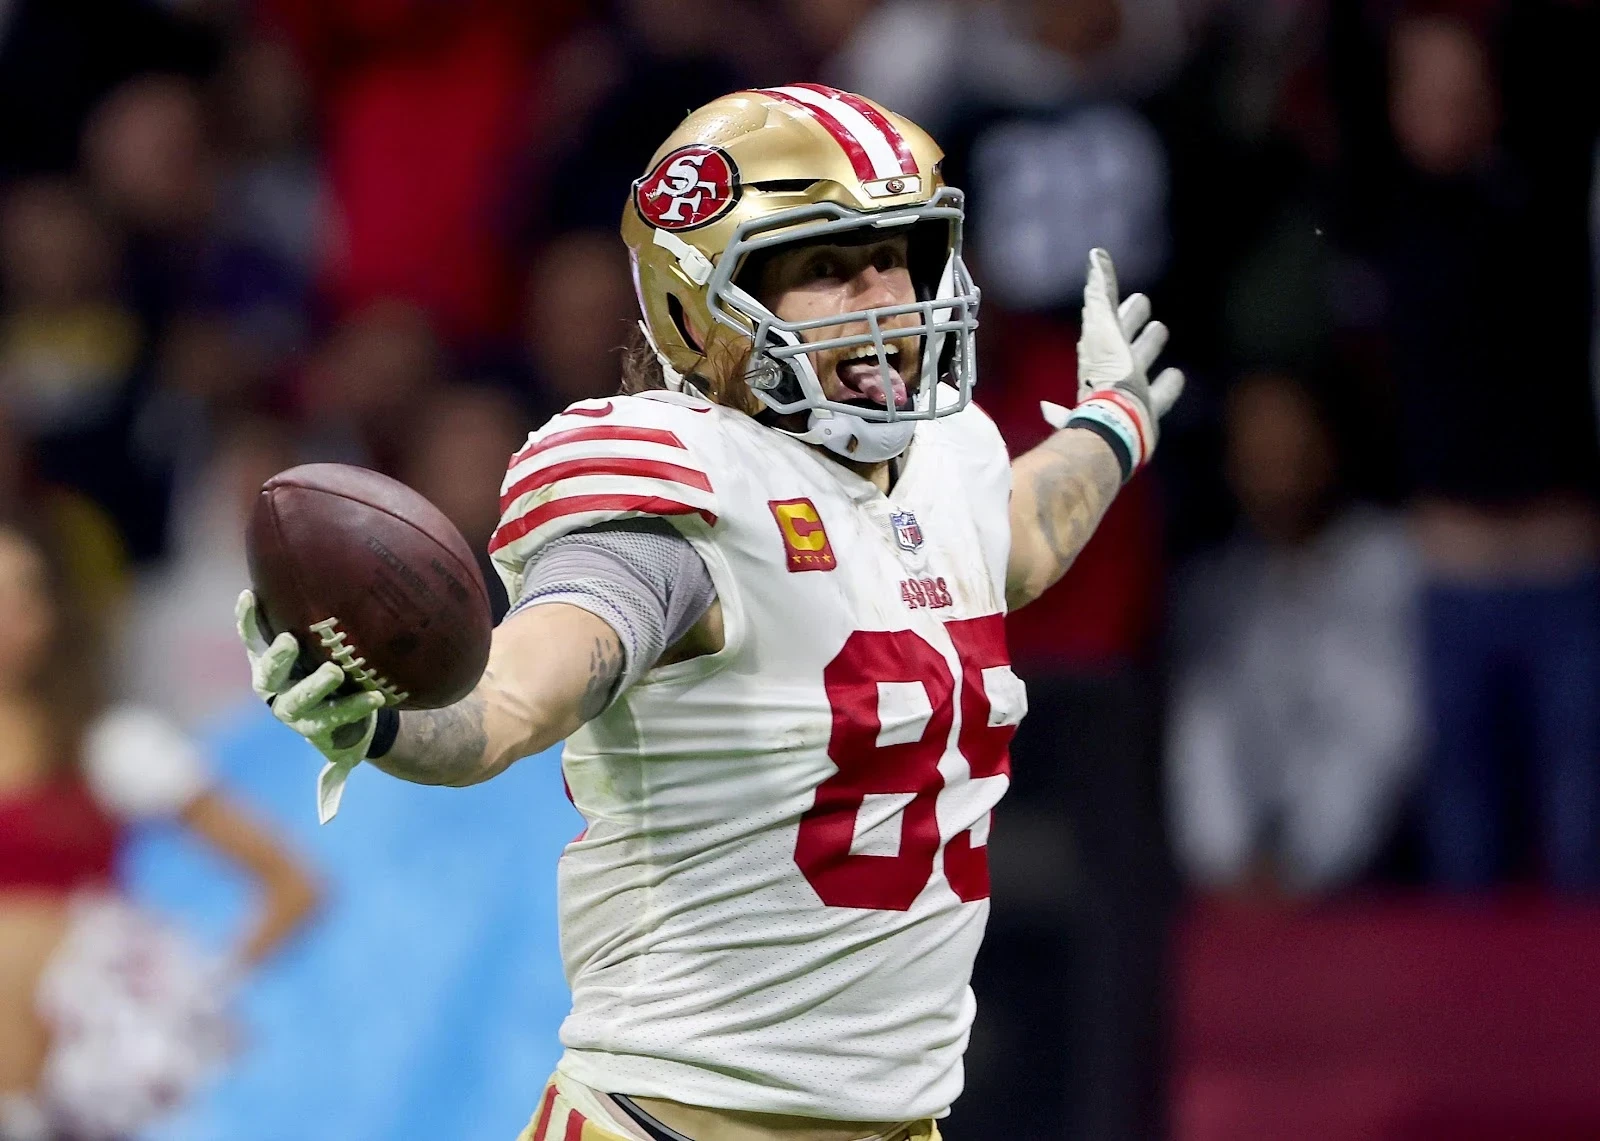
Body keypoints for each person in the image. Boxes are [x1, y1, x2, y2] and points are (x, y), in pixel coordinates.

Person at [237, 86, 1184, 1141]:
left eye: (898, 252)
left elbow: (1017, 539)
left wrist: (1112, 422)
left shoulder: (947, 461)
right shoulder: (681, 498)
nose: (883, 294)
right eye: (827, 266)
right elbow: (516, 692)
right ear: (701, 309)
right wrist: (385, 723)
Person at [0, 520, 320, 1141]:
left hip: (68, 1094)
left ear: (48, 617)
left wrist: (186, 995)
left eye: (18, 596)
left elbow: (291, 884)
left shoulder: (108, 748)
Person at [1166, 371, 1422, 898]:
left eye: (1291, 445)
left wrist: (1303, 866)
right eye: (1257, 450)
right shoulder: (1216, 587)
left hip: (1368, 873)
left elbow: (1381, 724)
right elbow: (1204, 740)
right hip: (1238, 882)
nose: (1276, 467)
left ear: (1329, 448)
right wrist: (1228, 865)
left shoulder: (1389, 563)